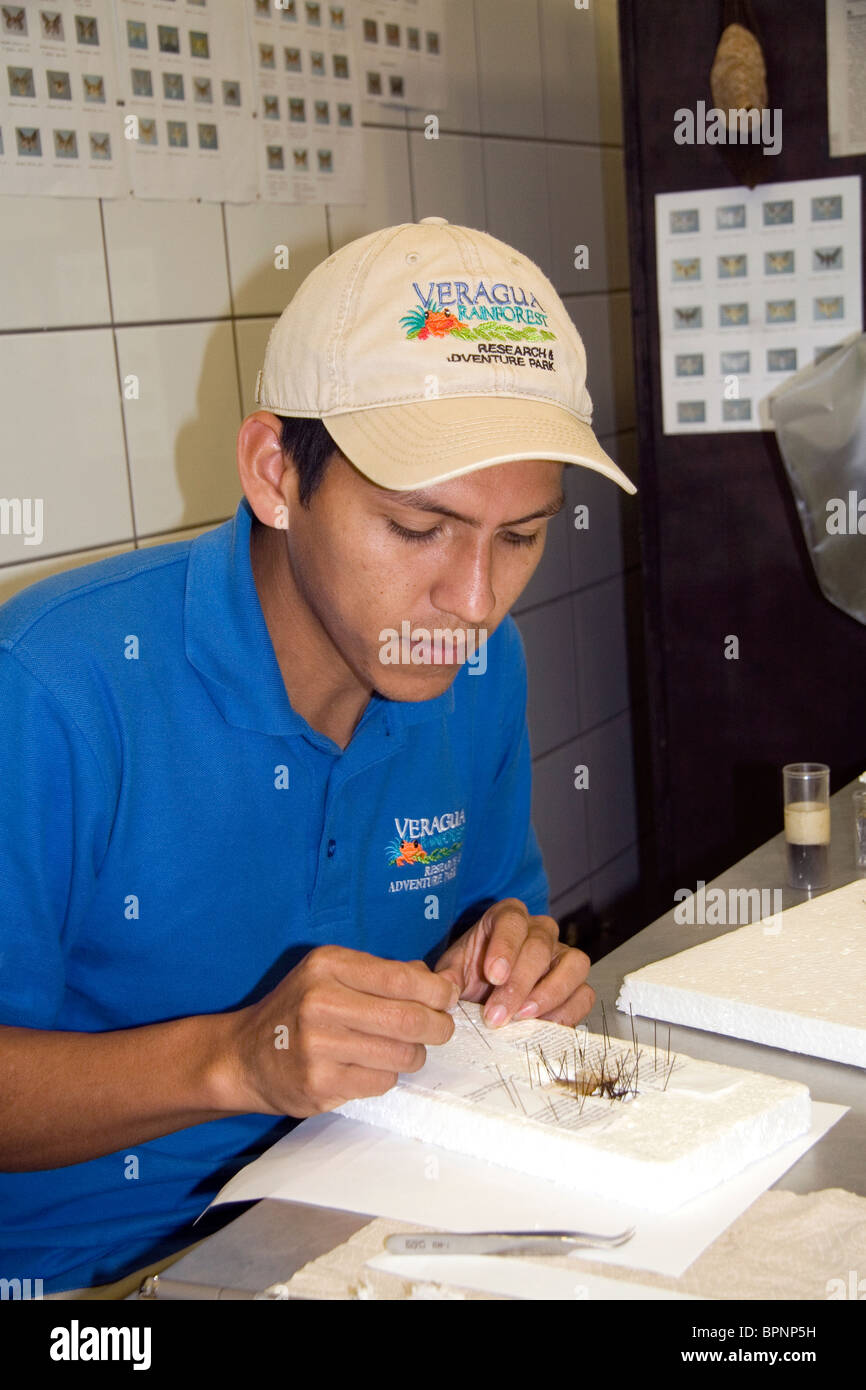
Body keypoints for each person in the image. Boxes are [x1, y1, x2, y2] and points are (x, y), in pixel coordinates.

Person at [0, 216, 636, 1295]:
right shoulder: (55, 690)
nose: (471, 602)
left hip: (372, 1213)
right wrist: (237, 1058)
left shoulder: (479, 670)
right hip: (87, 1278)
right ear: (273, 473)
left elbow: (491, 919)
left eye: (519, 537)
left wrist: (508, 960)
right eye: (417, 526)